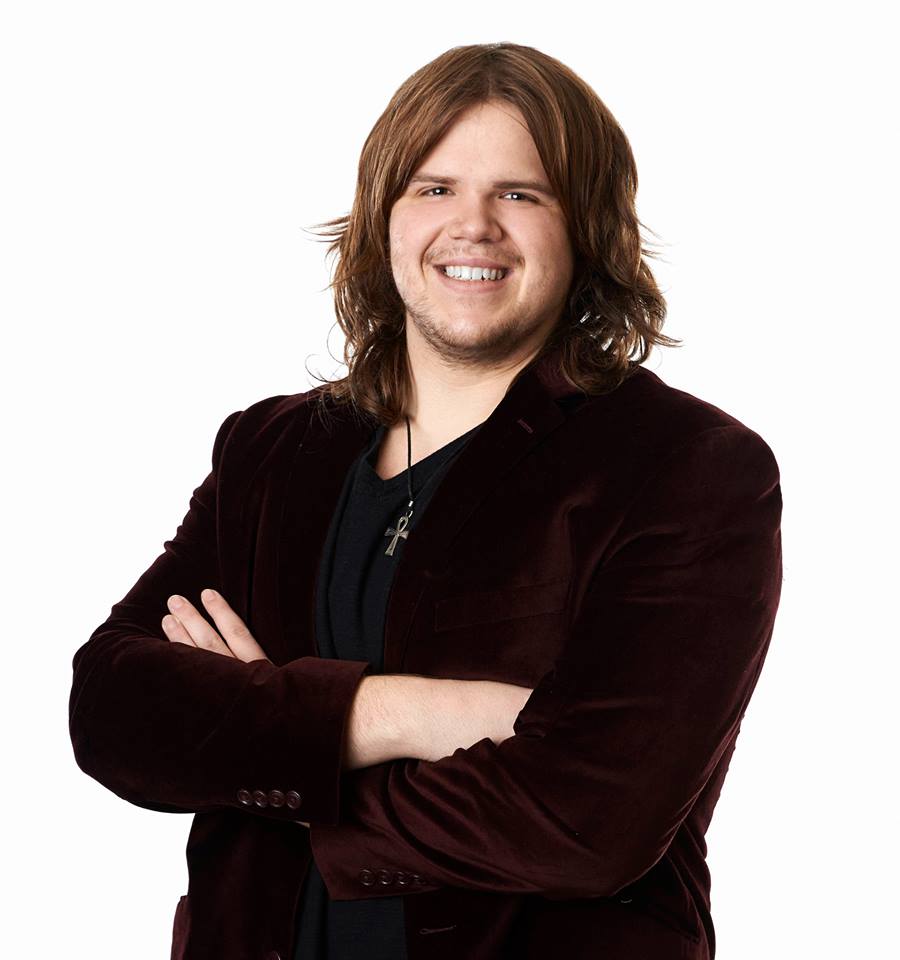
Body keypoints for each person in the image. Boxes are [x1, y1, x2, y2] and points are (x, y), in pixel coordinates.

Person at [68, 42, 784, 960]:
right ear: (384, 219)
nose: (472, 226)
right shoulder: (271, 449)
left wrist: (265, 741)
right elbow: (112, 711)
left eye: (520, 194)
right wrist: (402, 714)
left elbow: (589, 820)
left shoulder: (686, 468)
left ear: (588, 229)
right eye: (435, 188)